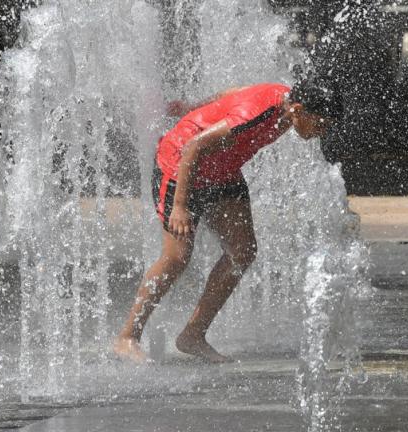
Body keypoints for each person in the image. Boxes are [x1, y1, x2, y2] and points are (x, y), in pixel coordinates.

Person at [113, 82, 340, 363]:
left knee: (242, 250)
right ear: (298, 110)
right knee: (177, 257)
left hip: (223, 171)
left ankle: (193, 335)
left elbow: (228, 95)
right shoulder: (255, 114)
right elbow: (193, 147)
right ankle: (127, 337)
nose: (322, 130)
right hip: (180, 167)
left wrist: (194, 106)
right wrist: (181, 207)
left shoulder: (286, 99)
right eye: (320, 123)